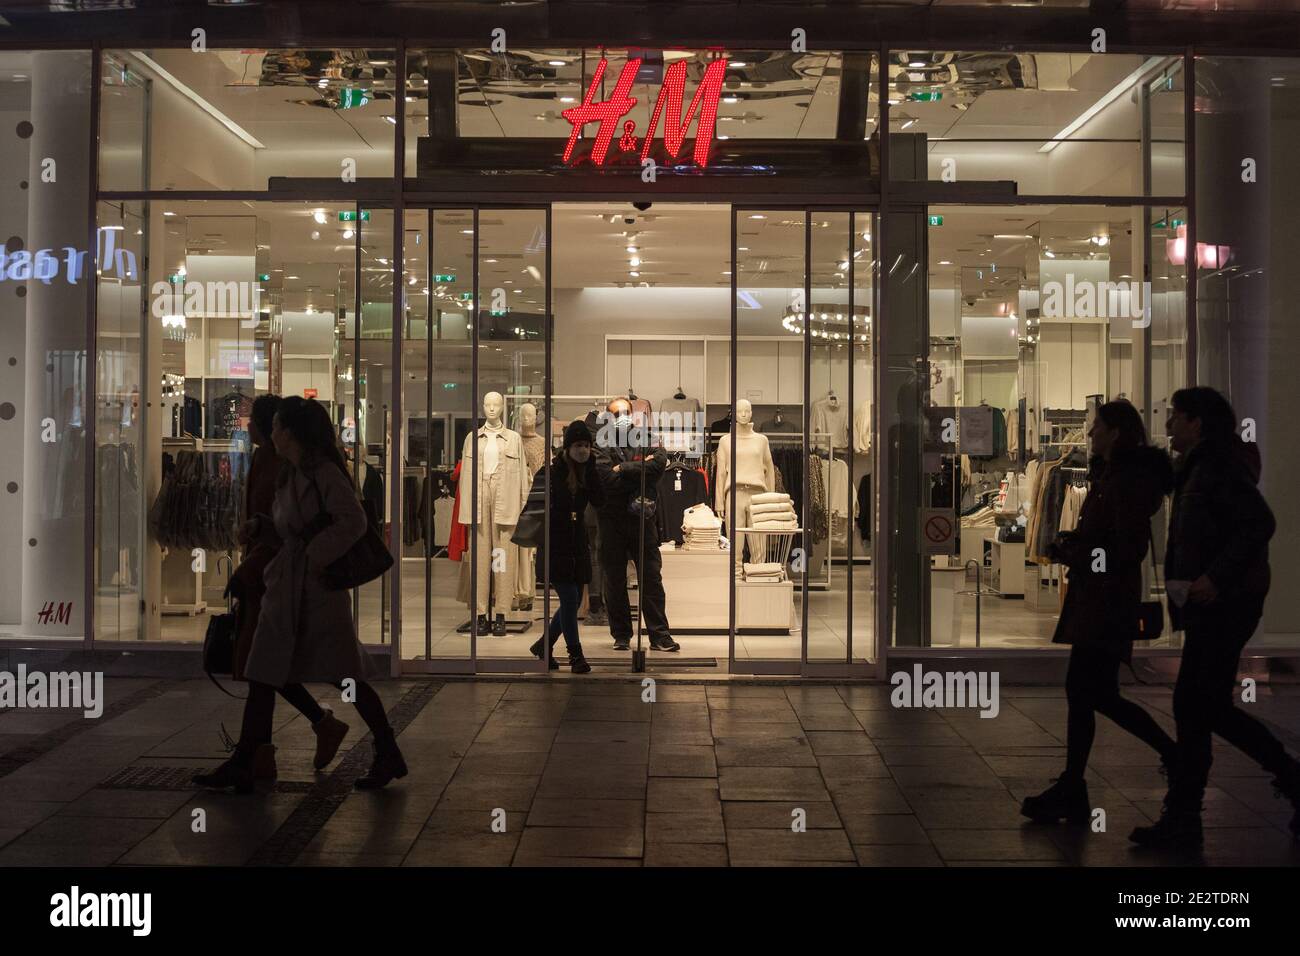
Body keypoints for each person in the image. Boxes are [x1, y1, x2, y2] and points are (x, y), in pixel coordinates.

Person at [194, 397, 407, 793]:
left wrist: (313, 559)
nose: (269, 432)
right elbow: (292, 527)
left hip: (317, 591)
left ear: (289, 432)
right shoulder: (289, 473)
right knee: (262, 667)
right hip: (287, 587)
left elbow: (354, 520)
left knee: (346, 676)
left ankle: (386, 748)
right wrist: (261, 527)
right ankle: (248, 756)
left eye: (275, 426)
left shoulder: (322, 472)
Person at [1131, 387, 1299, 848]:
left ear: (1197, 423)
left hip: (1224, 606)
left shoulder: (1217, 466)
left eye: (1175, 417)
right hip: (1216, 605)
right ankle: (1188, 814)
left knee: (1195, 705)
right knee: (1202, 706)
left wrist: (1214, 578)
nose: (1167, 426)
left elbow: (1259, 522)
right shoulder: (1200, 466)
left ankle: (1186, 815)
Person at [1021, 400, 1176, 824]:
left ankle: (1172, 756)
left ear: (1117, 432)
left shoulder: (1126, 481)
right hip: (1100, 599)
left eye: (1097, 427)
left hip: (1106, 603)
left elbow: (1126, 548)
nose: (1089, 434)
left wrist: (1080, 553)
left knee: (1094, 693)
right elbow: (1110, 541)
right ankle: (1073, 783)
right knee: (1087, 692)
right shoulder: (1112, 477)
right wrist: (1078, 547)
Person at [225, 395, 350, 782]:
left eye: (263, 423)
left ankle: (258, 755)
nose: (249, 427)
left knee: (271, 666)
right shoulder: (279, 462)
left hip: (278, 578)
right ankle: (256, 755)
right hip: (274, 576)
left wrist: (304, 558)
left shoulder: (294, 466)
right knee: (265, 667)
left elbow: (345, 521)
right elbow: (280, 523)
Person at [593, 397, 680, 652]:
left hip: (643, 519)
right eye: (616, 412)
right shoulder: (601, 441)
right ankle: (621, 634)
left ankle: (659, 635)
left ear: (633, 413)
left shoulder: (646, 436)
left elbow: (659, 464)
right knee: (614, 580)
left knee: (651, 578)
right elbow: (606, 477)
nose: (622, 415)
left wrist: (625, 468)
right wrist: (638, 473)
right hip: (611, 520)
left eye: (625, 411)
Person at [527, 420, 604, 673]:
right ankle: (575, 656)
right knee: (570, 598)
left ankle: (543, 646)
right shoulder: (550, 473)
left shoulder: (587, 472)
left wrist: (591, 471)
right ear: (568, 446)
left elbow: (599, 500)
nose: (583, 450)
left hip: (577, 541)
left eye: (586, 446)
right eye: (578, 445)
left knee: (570, 601)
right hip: (555, 541)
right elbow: (539, 509)